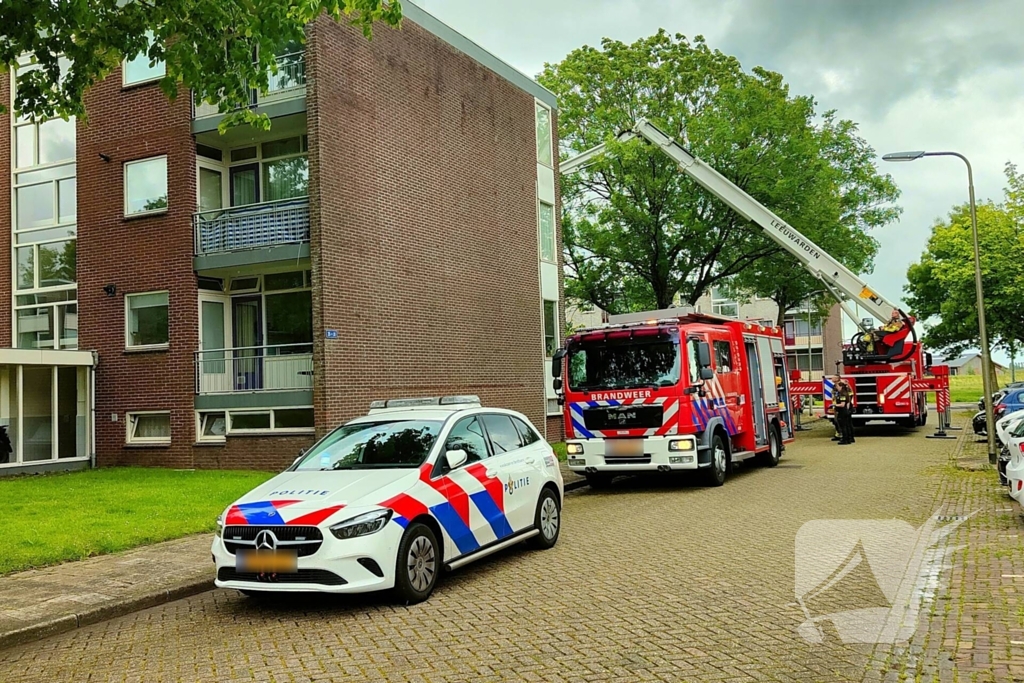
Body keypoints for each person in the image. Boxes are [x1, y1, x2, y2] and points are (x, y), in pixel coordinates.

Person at [833, 375, 855, 445]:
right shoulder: (838, 387)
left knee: (846, 424)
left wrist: (847, 406)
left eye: (833, 377)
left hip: (844, 408)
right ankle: (845, 437)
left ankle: (848, 438)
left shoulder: (844, 388)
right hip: (842, 407)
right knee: (842, 423)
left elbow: (850, 396)